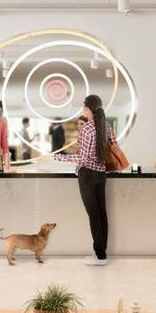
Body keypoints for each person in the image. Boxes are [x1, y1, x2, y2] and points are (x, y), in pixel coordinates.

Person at [54, 95, 116, 266]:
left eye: (83, 108)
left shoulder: (87, 129)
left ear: (88, 109)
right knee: (102, 214)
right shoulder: (107, 126)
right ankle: (102, 254)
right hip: (101, 175)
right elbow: (114, 146)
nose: (83, 111)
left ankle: (100, 256)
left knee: (94, 216)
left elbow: (82, 158)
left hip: (87, 175)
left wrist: (60, 158)